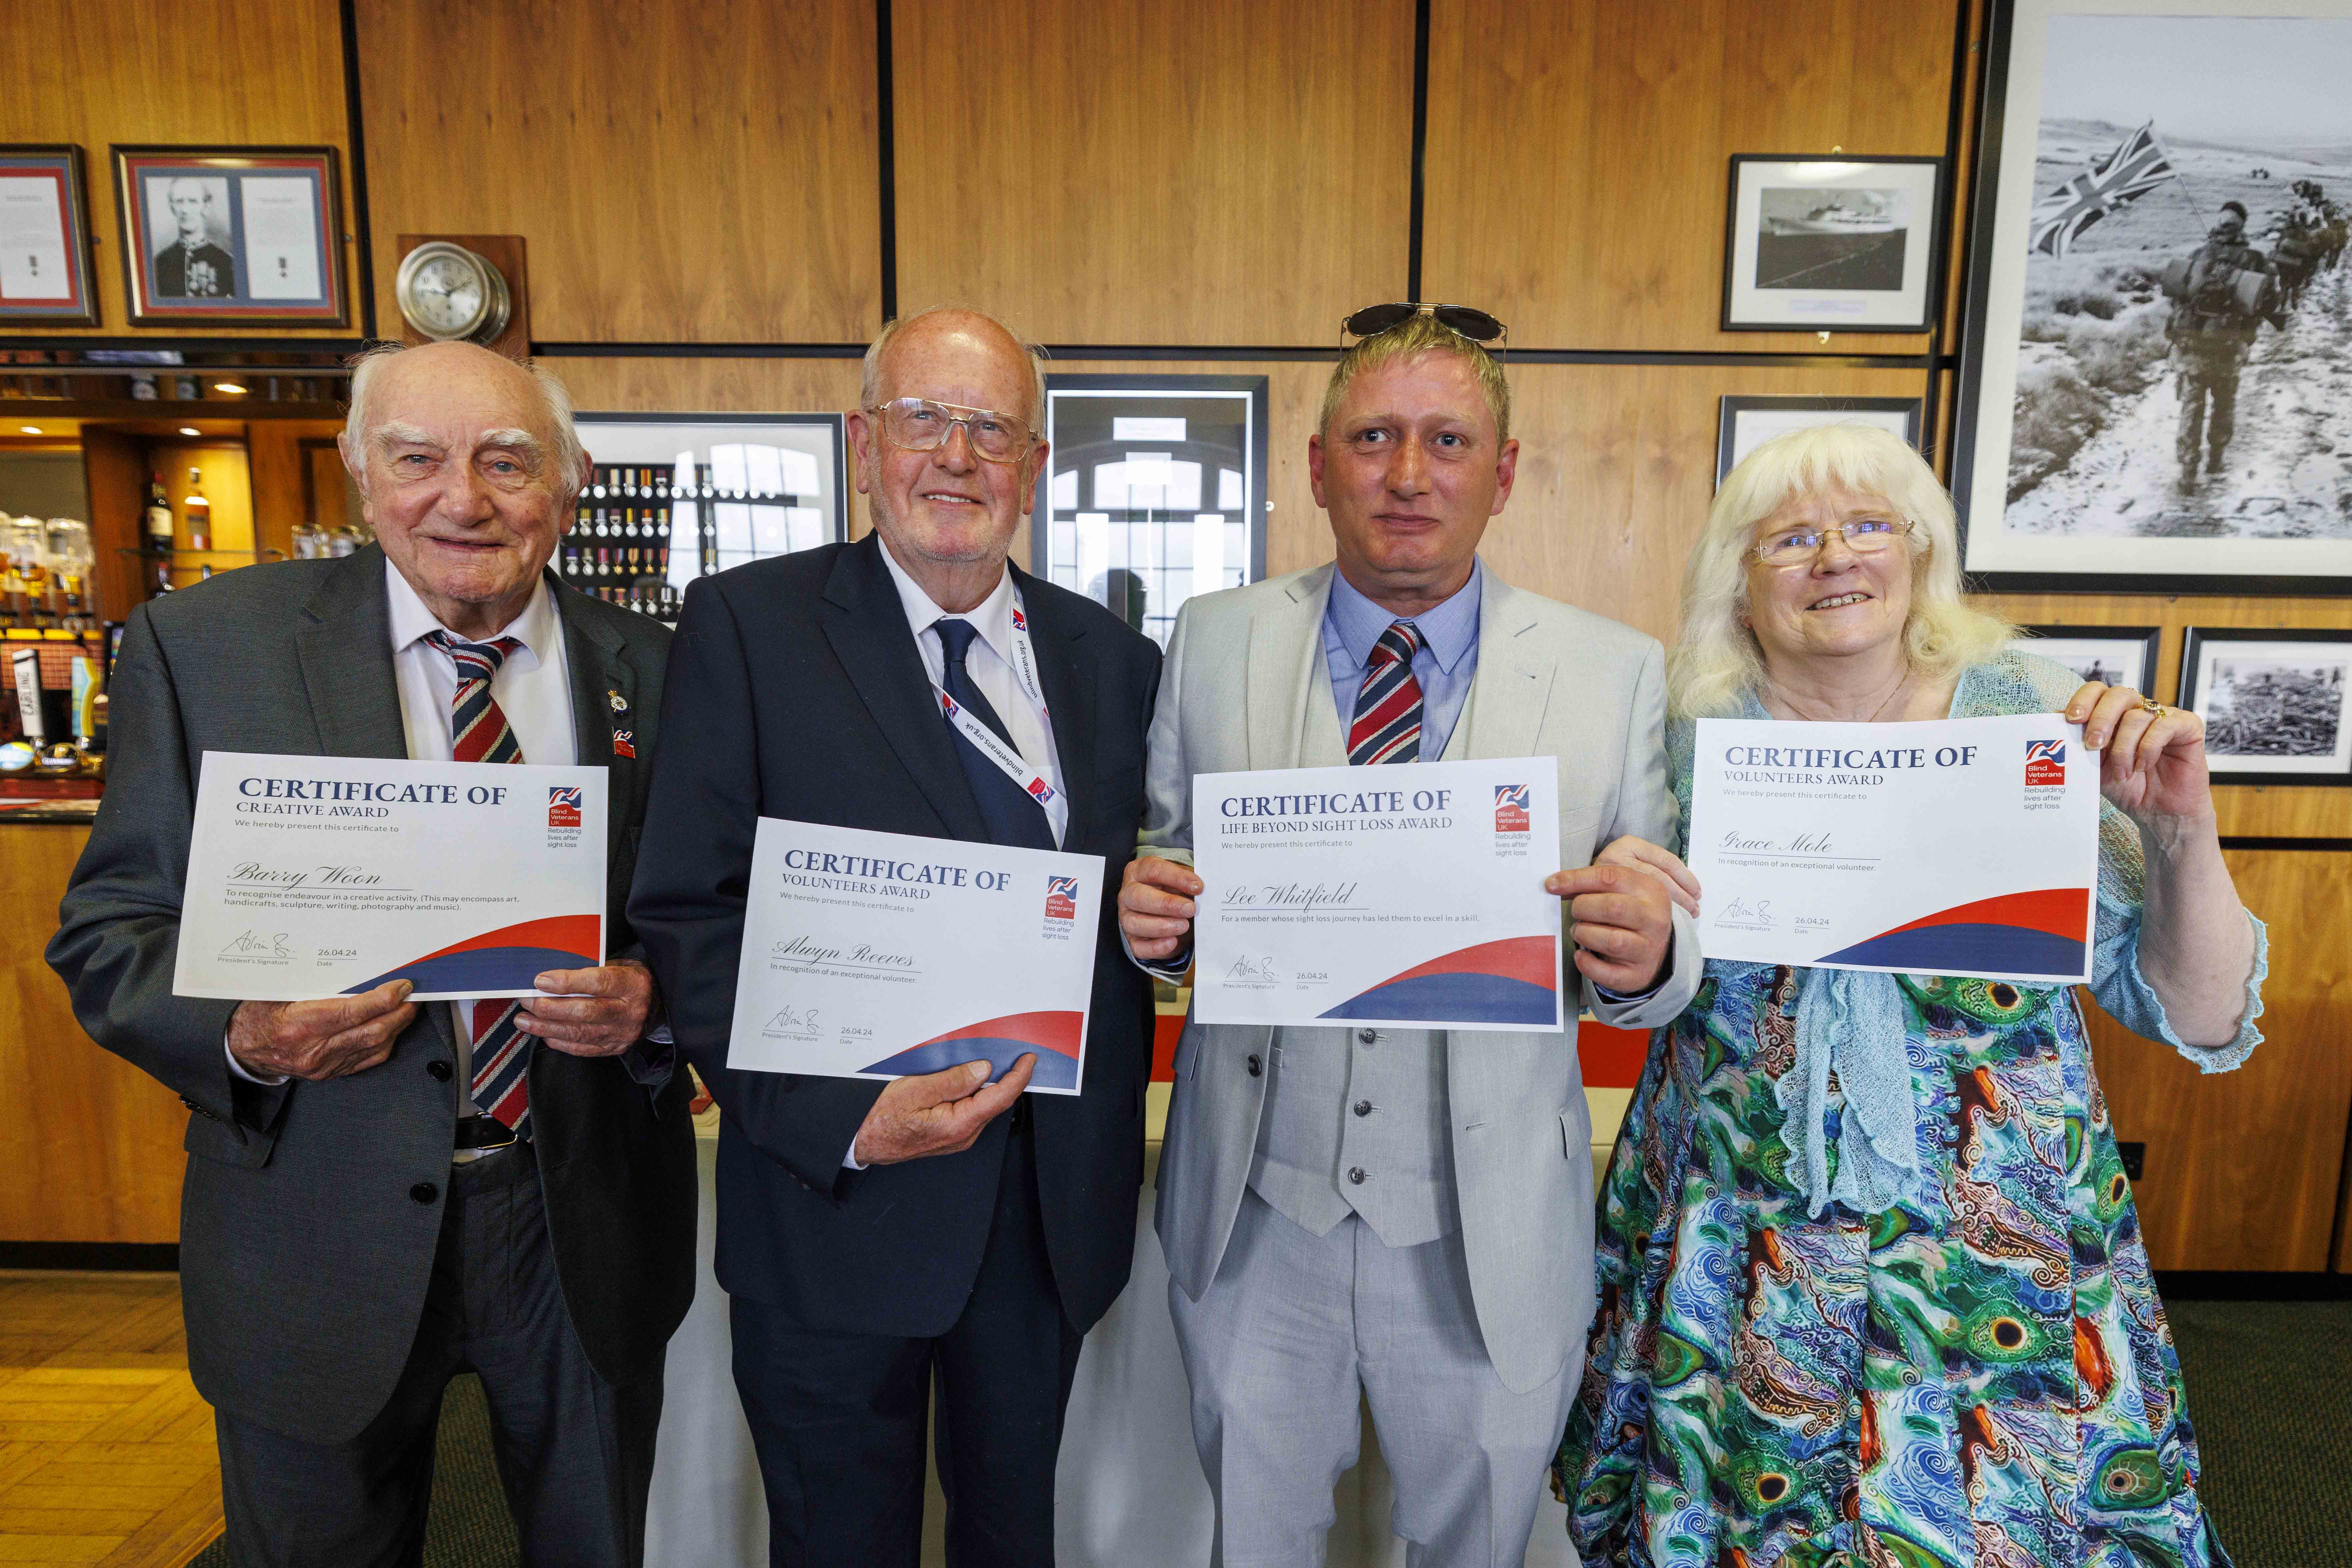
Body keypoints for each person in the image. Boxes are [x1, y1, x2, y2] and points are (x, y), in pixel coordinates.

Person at [1555, 423, 2265, 1568]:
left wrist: (2180, 829)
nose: (1834, 556)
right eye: (1789, 537)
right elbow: (1621, 970)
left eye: (1866, 525)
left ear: (1920, 550)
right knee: (1741, 1519)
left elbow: (2200, 1011)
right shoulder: (1679, 738)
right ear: (1736, 579)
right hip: (1741, 1227)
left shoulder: (2037, 713)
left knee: (2008, 1521)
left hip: (2001, 1234)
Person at [47, 340, 698, 1566]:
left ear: (570, 480)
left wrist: (654, 998)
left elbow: (712, 907)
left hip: (580, 1219)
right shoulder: (207, 647)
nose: (464, 499)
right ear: (359, 469)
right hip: (310, 1219)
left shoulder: (665, 668)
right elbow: (108, 927)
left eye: (507, 460)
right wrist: (243, 1034)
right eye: (417, 458)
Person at [1116, 306, 1700, 1566]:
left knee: (1475, 1547)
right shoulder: (1212, 638)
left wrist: (1647, 951)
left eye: (1447, 440)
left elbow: (1658, 950)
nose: (1407, 473)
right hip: (1256, 1212)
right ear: (1317, 464)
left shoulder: (1613, 670)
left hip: (1489, 1222)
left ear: (1503, 472)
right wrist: (1155, 927)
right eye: (1373, 437)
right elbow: (1170, 867)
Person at [627, 306, 1162, 1566]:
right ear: (866, 443)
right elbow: (689, 910)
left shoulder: (1110, 659)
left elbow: (1123, 908)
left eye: (991, 428)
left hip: (1041, 1208)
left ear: (1033, 463)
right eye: (923, 418)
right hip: (835, 1200)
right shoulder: (747, 626)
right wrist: (843, 1122)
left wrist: (1165, 929)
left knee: (1011, 1539)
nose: (955, 455)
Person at [2167, 199, 2278, 488]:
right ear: (2242, 226)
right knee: (2224, 403)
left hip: (2193, 344)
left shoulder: (2197, 255)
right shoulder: (2255, 259)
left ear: (2219, 223)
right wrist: (2247, 338)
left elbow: (2177, 299)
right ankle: (2216, 457)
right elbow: (2268, 303)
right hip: (2228, 347)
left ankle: (2188, 469)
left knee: (2192, 405)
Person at [154, 177, 236, 298]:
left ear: (206, 206)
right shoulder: (159, 263)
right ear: (172, 207)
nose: (185, 210)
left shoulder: (227, 262)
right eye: (179, 202)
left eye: (193, 201)